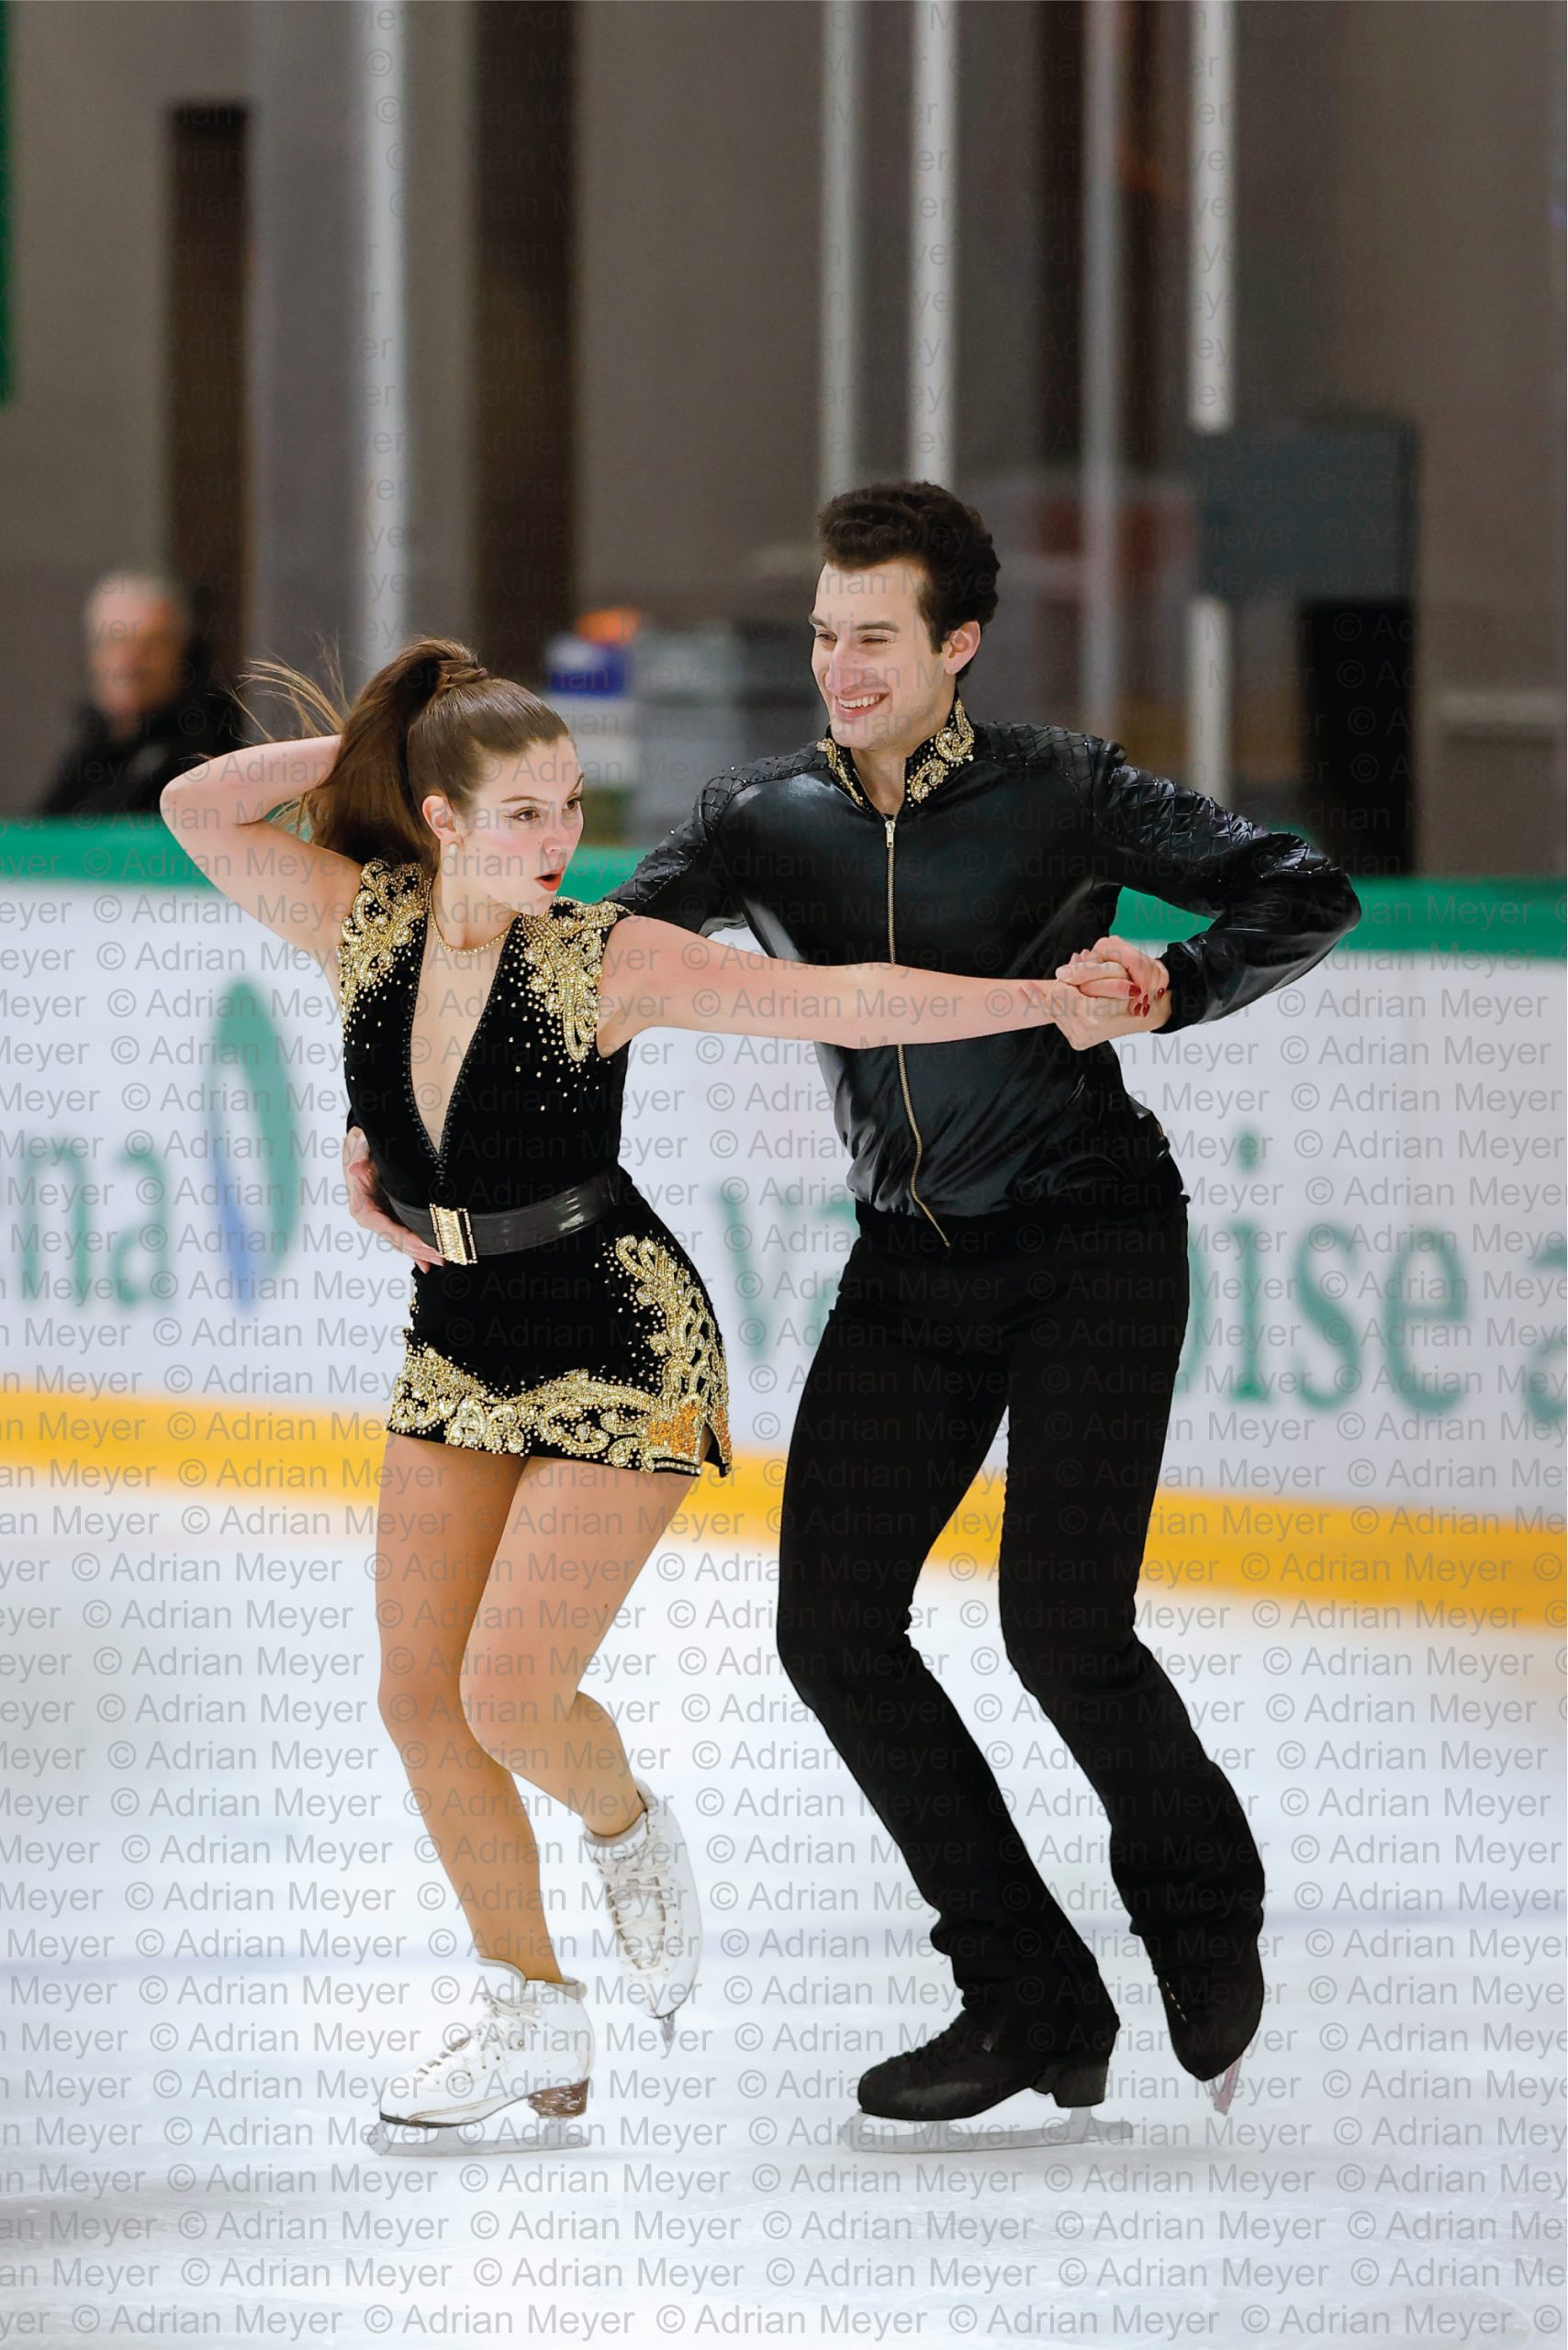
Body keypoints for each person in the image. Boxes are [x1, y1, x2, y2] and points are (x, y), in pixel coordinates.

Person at [161, 633, 1145, 2143]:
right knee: (420, 1702)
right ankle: (530, 2018)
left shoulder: (604, 957)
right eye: (522, 813)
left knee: (503, 1694)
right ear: (436, 817)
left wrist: (1039, 1007)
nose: (562, 840)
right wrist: (382, 736)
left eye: (569, 805)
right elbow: (195, 807)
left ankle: (622, 1826)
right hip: (461, 1331)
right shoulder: (363, 922)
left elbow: (852, 1001)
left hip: (622, 1338)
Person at [483, 479, 1360, 2129]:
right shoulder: (762, 819)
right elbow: (594, 966)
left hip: (1093, 1240)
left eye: (874, 638)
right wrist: (420, 1061)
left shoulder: (1062, 791)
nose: (840, 668)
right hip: (910, 1263)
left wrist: (1172, 983)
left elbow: (1298, 886)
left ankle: (1200, 1912)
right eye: (823, 637)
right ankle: (1026, 1994)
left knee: (1062, 1633)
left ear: (957, 644)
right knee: (829, 1630)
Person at [38, 570, 244, 815]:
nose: (129, 662)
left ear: (183, 653)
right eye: (114, 642)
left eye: (151, 645)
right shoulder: (90, 752)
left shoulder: (211, 745)